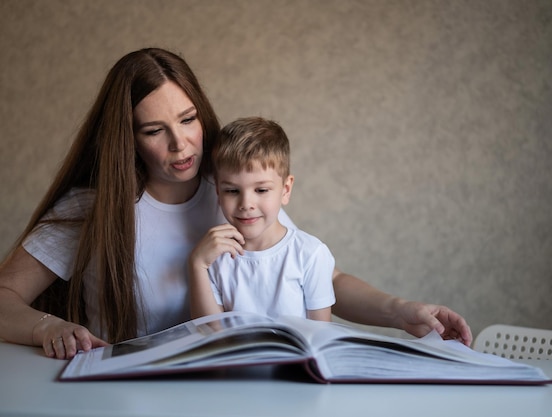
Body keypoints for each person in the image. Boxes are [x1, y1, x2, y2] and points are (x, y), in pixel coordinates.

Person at [0, 47, 472, 360]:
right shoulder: (93, 210)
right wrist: (46, 328)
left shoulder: (233, 193)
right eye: (153, 130)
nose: (181, 145)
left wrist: (401, 310)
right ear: (127, 139)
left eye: (187, 120)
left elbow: (321, 277)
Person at [189, 117, 335, 321]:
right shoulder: (216, 258)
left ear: (285, 189)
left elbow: (319, 336)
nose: (246, 203)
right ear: (218, 193)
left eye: (261, 189)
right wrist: (197, 265)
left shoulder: (310, 255)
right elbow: (209, 333)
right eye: (232, 190)